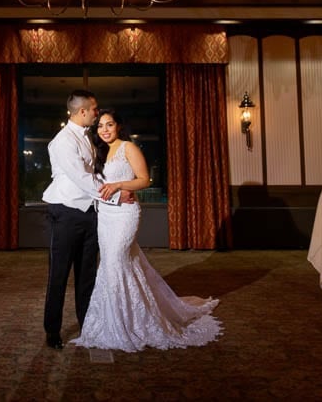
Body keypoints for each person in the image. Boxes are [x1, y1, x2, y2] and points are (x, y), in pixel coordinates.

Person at [71, 108, 222, 352]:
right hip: (105, 215)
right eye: (100, 126)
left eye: (109, 124)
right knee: (115, 264)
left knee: (116, 261)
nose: (105, 130)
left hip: (126, 215)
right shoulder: (96, 151)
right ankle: (113, 319)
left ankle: (129, 322)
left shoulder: (128, 148)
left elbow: (144, 179)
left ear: (118, 126)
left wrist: (120, 185)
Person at [41, 89, 127, 350]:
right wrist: (117, 197)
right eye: (94, 109)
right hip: (66, 214)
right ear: (82, 112)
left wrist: (117, 188)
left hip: (90, 214)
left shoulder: (86, 137)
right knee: (59, 275)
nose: (97, 113)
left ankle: (87, 325)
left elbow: (95, 175)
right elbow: (83, 179)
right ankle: (52, 331)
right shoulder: (63, 141)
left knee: (87, 275)